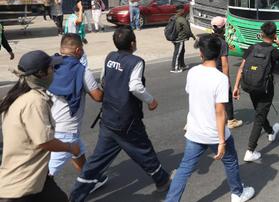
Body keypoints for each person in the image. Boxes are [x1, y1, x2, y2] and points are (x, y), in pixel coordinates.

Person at [69, 27, 171, 202]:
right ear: (133, 44)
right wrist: (151, 100)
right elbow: (135, 87)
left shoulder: (110, 57)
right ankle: (162, 180)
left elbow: (103, 79)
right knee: (144, 151)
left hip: (108, 118)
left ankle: (75, 197)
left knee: (95, 163)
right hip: (127, 120)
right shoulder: (136, 61)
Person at [165, 35, 255, 202]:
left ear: (201, 53)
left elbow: (192, 95)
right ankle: (237, 193)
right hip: (214, 134)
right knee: (230, 162)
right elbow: (220, 113)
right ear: (219, 53)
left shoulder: (192, 72)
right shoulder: (220, 79)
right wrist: (221, 141)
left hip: (195, 131)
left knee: (184, 168)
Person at [0, 51, 81, 201]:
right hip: (21, 186)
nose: (54, 72)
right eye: (51, 68)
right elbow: (45, 141)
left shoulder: (18, 95)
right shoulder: (34, 101)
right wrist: (71, 148)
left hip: (38, 178)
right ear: (40, 74)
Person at [47, 34, 106, 189]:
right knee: (48, 173)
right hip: (66, 129)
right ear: (78, 50)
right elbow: (98, 96)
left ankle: (90, 180)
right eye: (83, 50)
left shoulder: (50, 66)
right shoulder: (82, 71)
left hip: (49, 121)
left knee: (78, 150)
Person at [233, 21, 279, 162]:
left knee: (260, 112)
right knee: (259, 116)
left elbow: (241, 68)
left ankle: (270, 131)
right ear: (274, 35)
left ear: (261, 34)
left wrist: (236, 86)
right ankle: (250, 150)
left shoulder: (252, 47)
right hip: (265, 88)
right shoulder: (274, 51)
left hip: (250, 86)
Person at [211, 16, 243, 129]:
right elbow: (224, 63)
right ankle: (231, 120)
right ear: (223, 27)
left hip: (209, 71)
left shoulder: (208, 40)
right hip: (219, 72)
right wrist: (227, 79)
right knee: (227, 96)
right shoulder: (222, 43)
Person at [170, 4, 194, 73]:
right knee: (177, 53)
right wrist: (191, 36)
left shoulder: (173, 17)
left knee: (182, 51)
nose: (184, 10)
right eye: (183, 9)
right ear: (181, 10)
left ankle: (182, 65)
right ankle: (174, 68)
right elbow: (187, 30)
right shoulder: (181, 19)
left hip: (174, 37)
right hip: (179, 39)